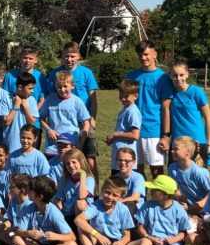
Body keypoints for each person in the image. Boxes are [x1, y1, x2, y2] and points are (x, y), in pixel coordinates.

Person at [47, 42, 99, 183]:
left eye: (72, 56)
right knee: (64, 159)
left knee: (89, 159)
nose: (69, 59)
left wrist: (92, 118)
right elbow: (51, 99)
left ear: (78, 56)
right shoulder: (55, 74)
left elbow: (93, 99)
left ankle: (94, 191)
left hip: (84, 121)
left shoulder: (86, 72)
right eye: (66, 56)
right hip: (64, 123)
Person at [75, 176, 148, 245]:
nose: (110, 197)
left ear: (121, 197)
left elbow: (127, 236)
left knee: (146, 241)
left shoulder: (123, 209)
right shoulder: (95, 206)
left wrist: (121, 242)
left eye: (114, 195)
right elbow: (78, 220)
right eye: (107, 192)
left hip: (117, 244)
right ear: (102, 190)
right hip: (99, 242)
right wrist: (98, 235)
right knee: (81, 227)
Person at [126, 41, 173, 178]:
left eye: (146, 54)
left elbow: (166, 108)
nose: (143, 58)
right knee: (135, 171)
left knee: (157, 173)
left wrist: (166, 135)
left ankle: (160, 199)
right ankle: (140, 198)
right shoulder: (131, 76)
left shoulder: (163, 78)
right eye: (140, 55)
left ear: (154, 55)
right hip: (133, 129)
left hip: (153, 131)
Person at [134, 174, 190, 245]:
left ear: (165, 194)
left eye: (155, 190)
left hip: (171, 243)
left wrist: (173, 240)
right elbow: (140, 227)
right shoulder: (148, 205)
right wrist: (149, 237)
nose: (151, 191)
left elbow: (183, 232)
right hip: (152, 240)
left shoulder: (178, 209)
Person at [39, 70, 91, 158]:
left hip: (71, 146)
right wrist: (49, 130)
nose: (62, 89)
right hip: (53, 146)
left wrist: (80, 144)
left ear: (72, 86)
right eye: (59, 86)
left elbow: (86, 123)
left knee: (70, 169)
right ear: (55, 86)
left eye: (65, 86)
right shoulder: (49, 100)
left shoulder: (77, 101)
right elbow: (41, 118)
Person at [169, 61, 210, 163]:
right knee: (176, 176)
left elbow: (208, 118)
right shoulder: (170, 95)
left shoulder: (196, 92)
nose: (178, 78)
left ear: (187, 74)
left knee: (198, 176)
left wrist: (208, 143)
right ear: (170, 76)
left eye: (181, 75)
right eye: (175, 75)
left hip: (197, 142)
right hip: (177, 143)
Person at [0, 71, 39, 158]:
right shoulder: (7, 98)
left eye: (33, 88)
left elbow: (32, 122)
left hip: (26, 143)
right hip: (10, 142)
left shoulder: (32, 100)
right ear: (20, 87)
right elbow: (7, 121)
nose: (32, 91)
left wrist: (26, 107)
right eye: (30, 88)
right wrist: (16, 105)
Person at [105, 80, 141, 170]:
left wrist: (115, 134)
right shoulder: (124, 111)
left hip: (126, 160)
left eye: (126, 96)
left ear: (135, 96)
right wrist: (113, 139)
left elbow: (135, 135)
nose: (123, 98)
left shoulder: (133, 112)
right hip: (119, 157)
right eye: (121, 95)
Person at [54, 148, 94, 223]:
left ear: (81, 162)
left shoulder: (89, 179)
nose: (71, 166)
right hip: (67, 214)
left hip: (83, 215)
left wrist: (82, 176)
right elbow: (59, 199)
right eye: (68, 163)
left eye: (74, 162)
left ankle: (80, 231)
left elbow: (82, 196)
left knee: (80, 203)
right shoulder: (64, 179)